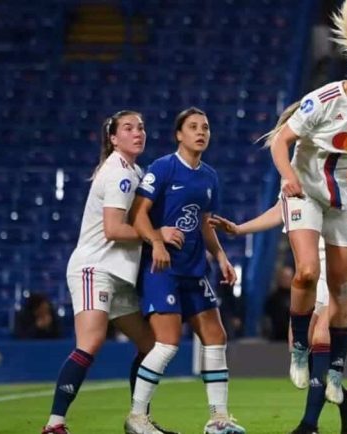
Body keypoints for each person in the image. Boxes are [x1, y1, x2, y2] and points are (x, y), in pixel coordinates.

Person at [265, 1, 347, 432]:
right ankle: (300, 347)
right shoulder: (322, 99)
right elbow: (280, 142)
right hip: (306, 191)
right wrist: (288, 179)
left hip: (346, 199)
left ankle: (336, 367)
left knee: (340, 289)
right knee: (305, 273)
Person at [210, 169, 347, 434]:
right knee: (299, 342)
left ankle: (309, 424)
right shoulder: (299, 165)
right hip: (317, 257)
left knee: (321, 333)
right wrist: (240, 228)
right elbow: (282, 207)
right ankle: (346, 399)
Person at [42, 111, 181, 434]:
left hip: (117, 275)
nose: (138, 133)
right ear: (114, 139)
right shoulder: (119, 173)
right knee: (90, 342)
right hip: (95, 268)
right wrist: (157, 234)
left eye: (142, 127)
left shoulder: (135, 171)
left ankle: (138, 420)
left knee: (149, 346)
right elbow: (114, 229)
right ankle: (54, 424)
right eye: (129, 128)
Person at [127, 107, 245, 434]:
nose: (200, 132)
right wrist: (157, 241)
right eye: (192, 127)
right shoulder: (162, 168)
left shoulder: (209, 175)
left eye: (205, 127)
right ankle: (137, 417)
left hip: (195, 271)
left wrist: (220, 256)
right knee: (166, 345)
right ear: (179, 134)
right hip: (162, 267)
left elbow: (205, 222)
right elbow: (137, 216)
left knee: (216, 336)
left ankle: (219, 419)